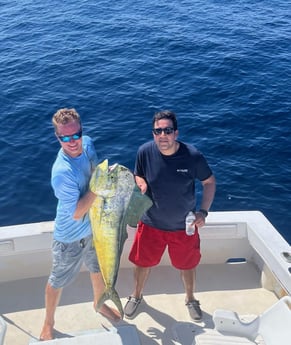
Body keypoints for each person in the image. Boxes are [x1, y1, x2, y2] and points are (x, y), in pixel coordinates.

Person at [124, 110, 216, 321]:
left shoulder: (192, 156)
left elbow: (209, 182)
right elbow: (138, 173)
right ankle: (136, 296)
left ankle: (191, 299)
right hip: (150, 223)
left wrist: (203, 212)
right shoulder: (144, 151)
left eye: (167, 130)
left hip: (184, 226)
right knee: (142, 263)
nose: (162, 135)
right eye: (158, 131)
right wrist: (140, 181)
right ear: (153, 133)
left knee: (188, 265)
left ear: (176, 133)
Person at [40, 108, 120, 341]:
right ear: (57, 138)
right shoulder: (61, 172)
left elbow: (94, 172)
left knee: (97, 270)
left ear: (82, 131)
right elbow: (76, 212)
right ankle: (48, 323)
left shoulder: (88, 144)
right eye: (65, 138)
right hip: (70, 237)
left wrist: (106, 175)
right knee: (57, 281)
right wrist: (100, 186)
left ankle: (99, 303)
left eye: (76, 135)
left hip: (94, 227)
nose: (72, 141)